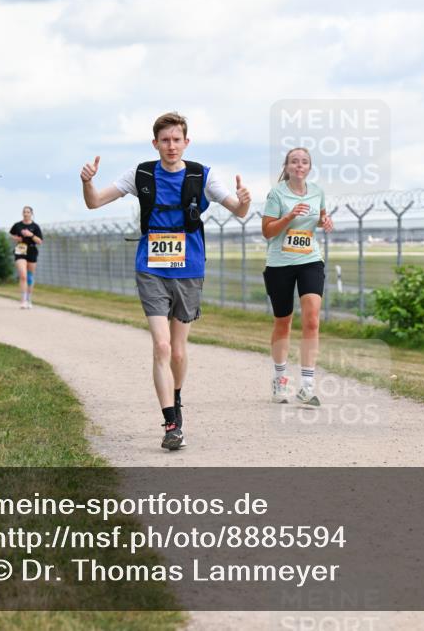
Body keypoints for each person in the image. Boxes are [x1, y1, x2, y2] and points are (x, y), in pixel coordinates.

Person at [80, 111, 251, 451]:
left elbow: (240, 211)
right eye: (165, 140)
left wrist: (244, 200)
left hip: (189, 270)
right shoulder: (141, 173)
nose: (171, 146)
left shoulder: (203, 176)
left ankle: (176, 396)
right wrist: (87, 181)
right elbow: (95, 202)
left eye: (177, 140)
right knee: (161, 346)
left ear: (186, 142)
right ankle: (171, 423)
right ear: (155, 143)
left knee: (178, 351)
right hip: (151, 267)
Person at [261, 147, 333, 405]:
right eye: (294, 162)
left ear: (309, 167)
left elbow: (321, 216)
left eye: (304, 162)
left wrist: (326, 221)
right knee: (284, 320)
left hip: (310, 260)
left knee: (312, 319)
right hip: (280, 263)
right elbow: (267, 232)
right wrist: (289, 216)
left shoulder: (317, 192)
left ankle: (307, 384)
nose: (299, 166)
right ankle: (280, 380)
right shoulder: (277, 194)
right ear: (287, 166)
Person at [9, 206, 44, 309]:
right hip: (20, 250)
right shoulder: (18, 225)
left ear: (31, 214)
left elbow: (40, 241)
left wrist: (31, 235)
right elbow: (11, 234)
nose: (26, 214)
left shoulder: (35, 226)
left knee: (29, 277)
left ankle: (29, 298)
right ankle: (23, 300)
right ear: (22, 213)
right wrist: (16, 238)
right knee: (23, 275)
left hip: (32, 250)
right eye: (24, 212)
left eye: (28, 212)